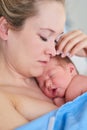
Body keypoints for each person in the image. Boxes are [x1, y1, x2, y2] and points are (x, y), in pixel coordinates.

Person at [0, 0, 87, 129]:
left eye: (56, 39)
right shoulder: (4, 101)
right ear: (5, 28)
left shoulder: (58, 72)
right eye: (44, 37)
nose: (52, 51)